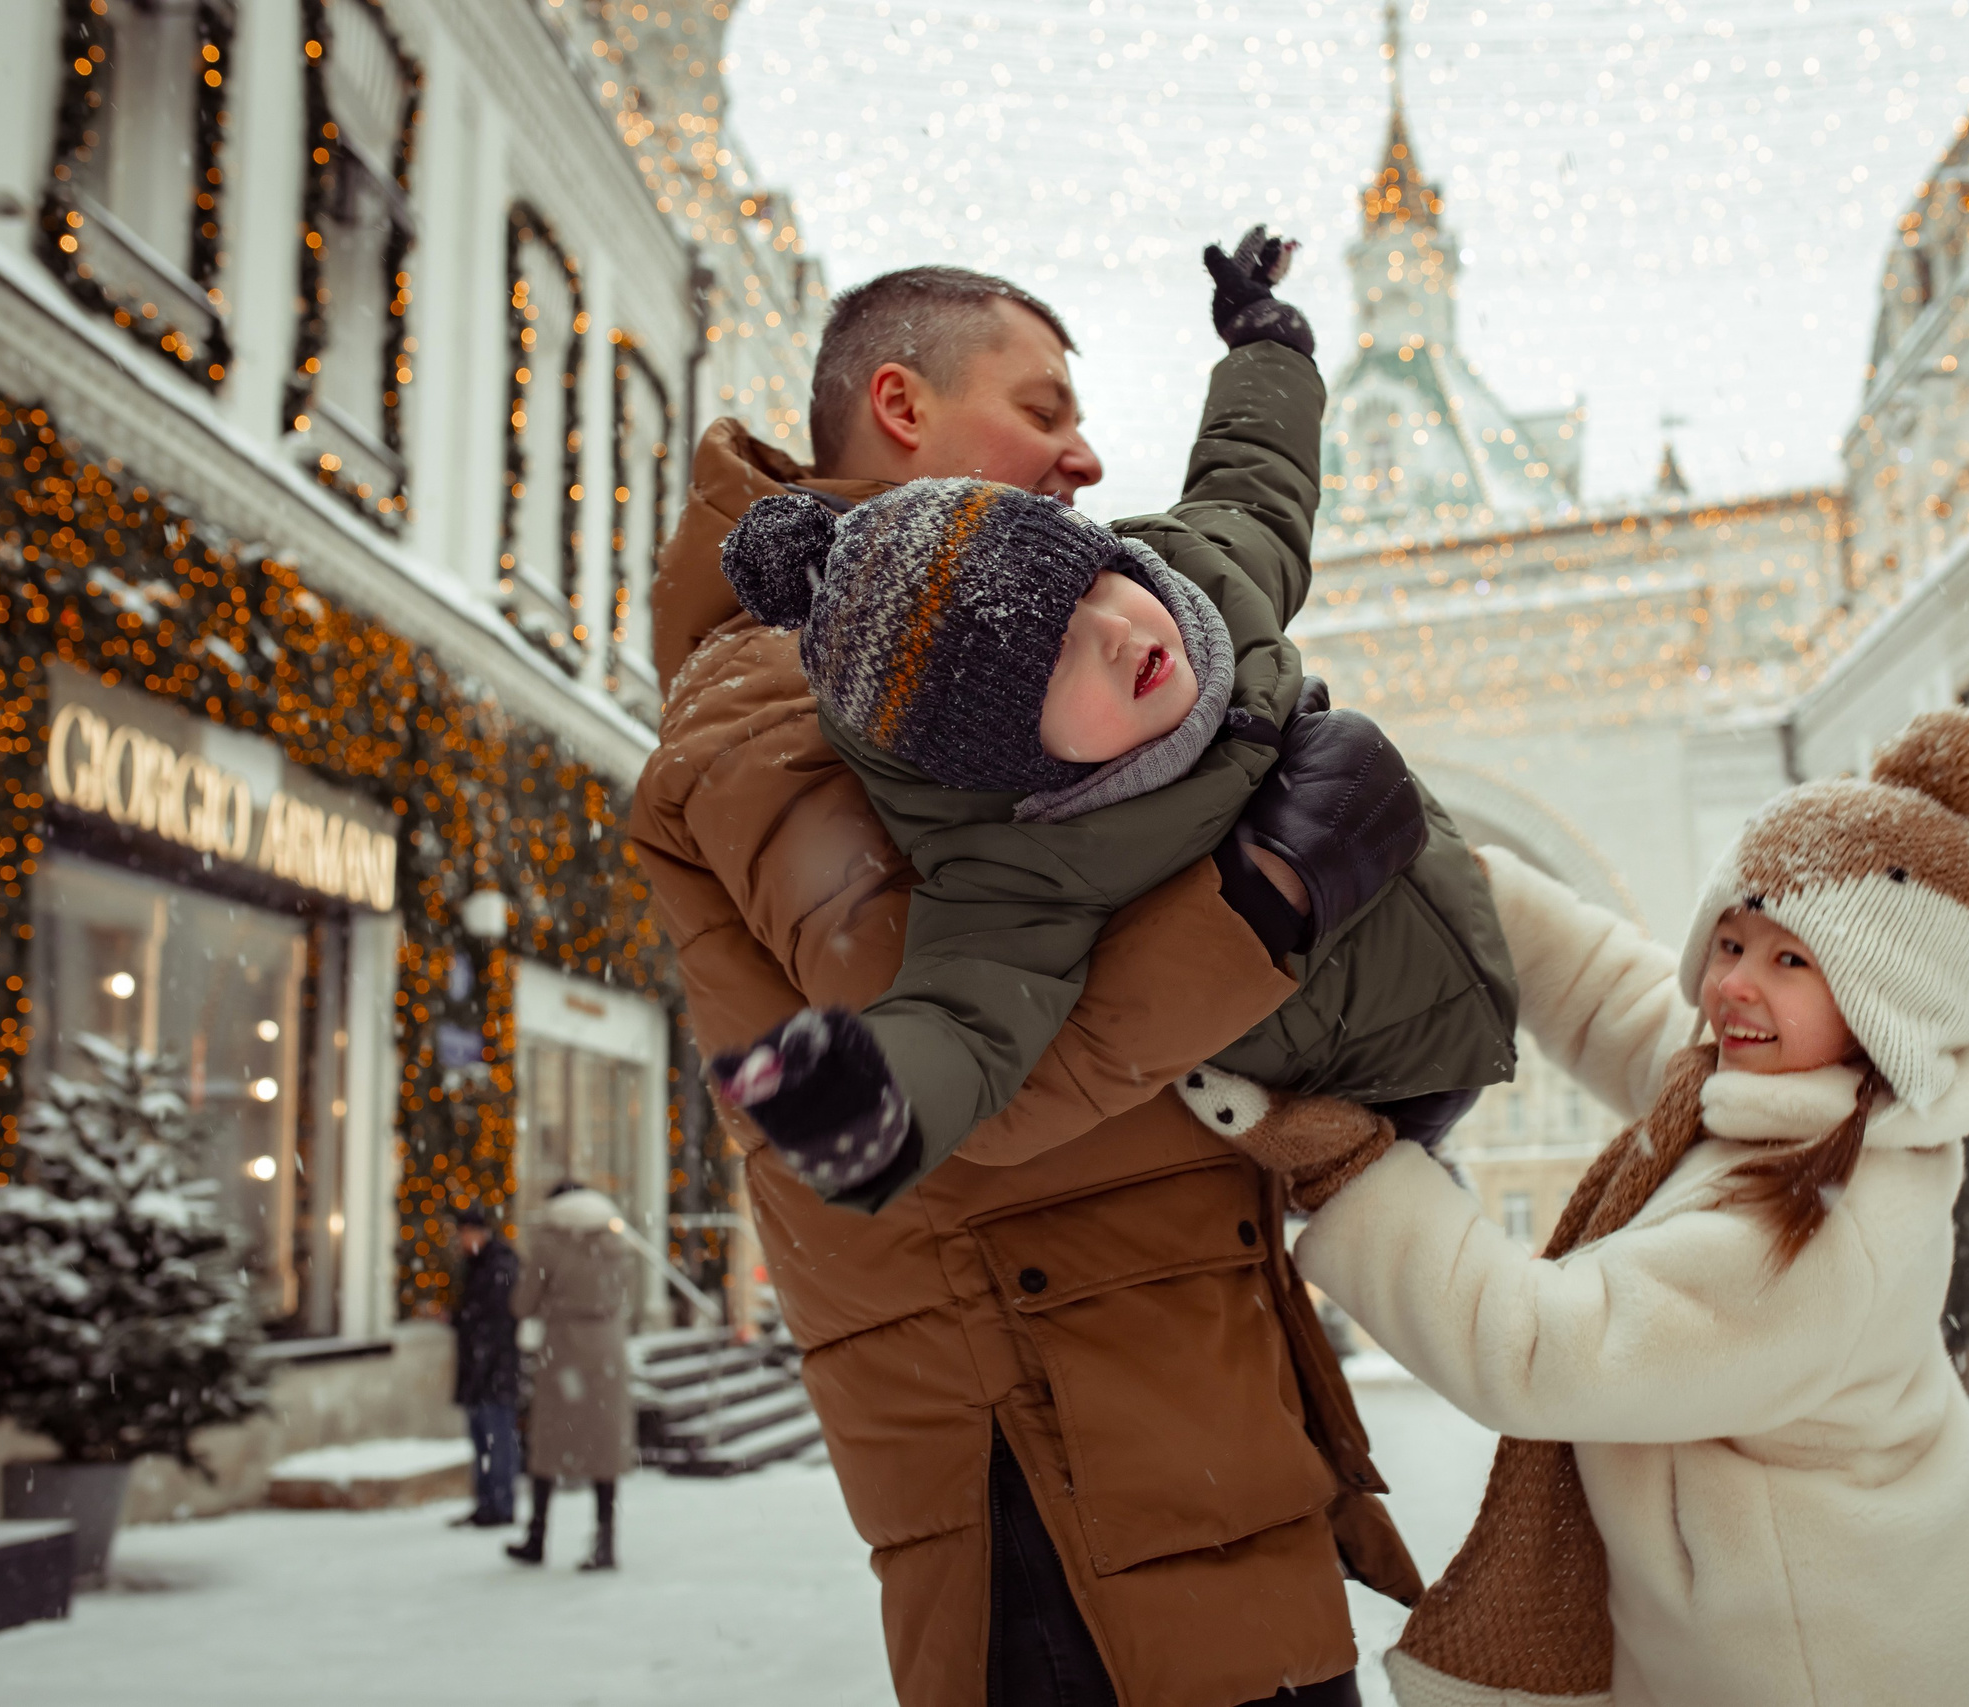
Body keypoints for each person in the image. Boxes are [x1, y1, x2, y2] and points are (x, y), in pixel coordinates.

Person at [630, 257, 1423, 1705]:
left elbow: (1250, 506)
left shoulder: (1053, 620)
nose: (1087, 454)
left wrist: (1266, 354)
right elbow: (977, 1069)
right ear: (902, 406)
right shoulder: (776, 695)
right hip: (1057, 1480)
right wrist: (1277, 891)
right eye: (1042, 404)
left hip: (1158, 1424)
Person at [1196, 709, 1969, 1707]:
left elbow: (1539, 1350)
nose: (1734, 988)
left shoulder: (1824, 1233)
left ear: (1887, 1006)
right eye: (1729, 941)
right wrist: (1461, 890)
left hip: (1804, 1672)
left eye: (1790, 960)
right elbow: (1601, 994)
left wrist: (1347, 1164)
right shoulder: (1783, 1096)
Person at [711, 231, 1514, 1213]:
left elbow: (1253, 480)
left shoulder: (1197, 581)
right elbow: (968, 1015)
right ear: (1013, 760)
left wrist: (1267, 349)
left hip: (1467, 914)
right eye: (1053, 659)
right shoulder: (1026, 860)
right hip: (1368, 1081)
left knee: (1641, 994)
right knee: (1420, 1236)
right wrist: (875, 1097)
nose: (1120, 632)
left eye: (1096, 585)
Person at [507, 1180, 640, 1573]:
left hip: (564, 1349)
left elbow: (523, 1304)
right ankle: (605, 1540)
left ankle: (537, 1535)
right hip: (608, 1349)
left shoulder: (549, 1242)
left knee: (548, 1442)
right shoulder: (617, 1241)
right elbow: (626, 1291)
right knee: (604, 1447)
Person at [447, 1206, 521, 1528]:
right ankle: (487, 1502)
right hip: (481, 1369)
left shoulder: (497, 1266)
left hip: (493, 1370)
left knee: (496, 1439)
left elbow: (494, 1321)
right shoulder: (479, 1265)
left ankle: (499, 1504)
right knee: (483, 1440)